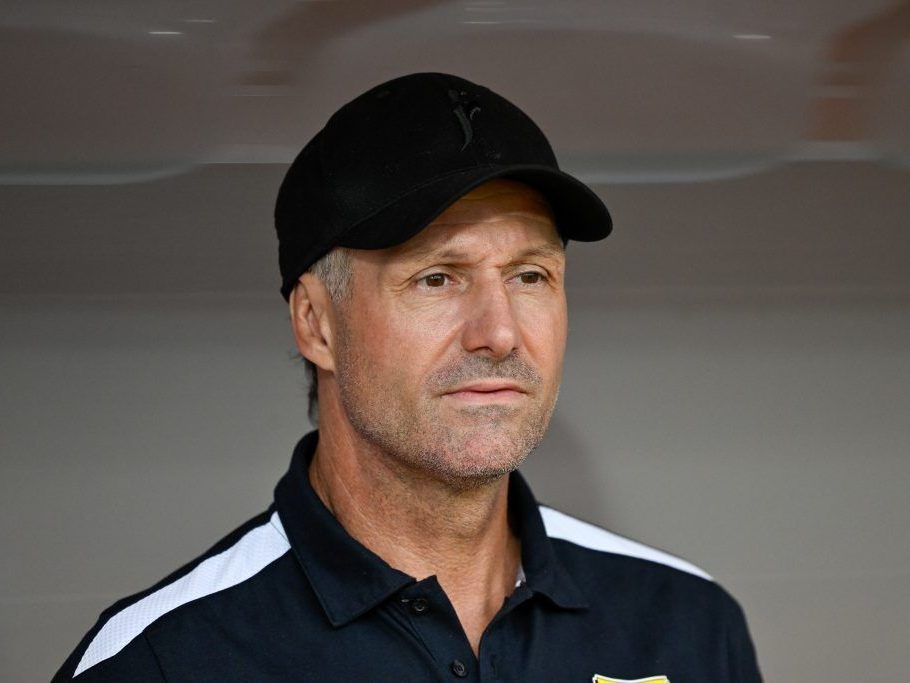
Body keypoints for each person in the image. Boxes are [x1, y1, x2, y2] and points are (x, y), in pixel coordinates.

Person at [54, 72, 762, 682]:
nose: (500, 332)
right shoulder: (163, 660)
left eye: (530, 275)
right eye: (436, 278)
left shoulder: (689, 625)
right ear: (316, 323)